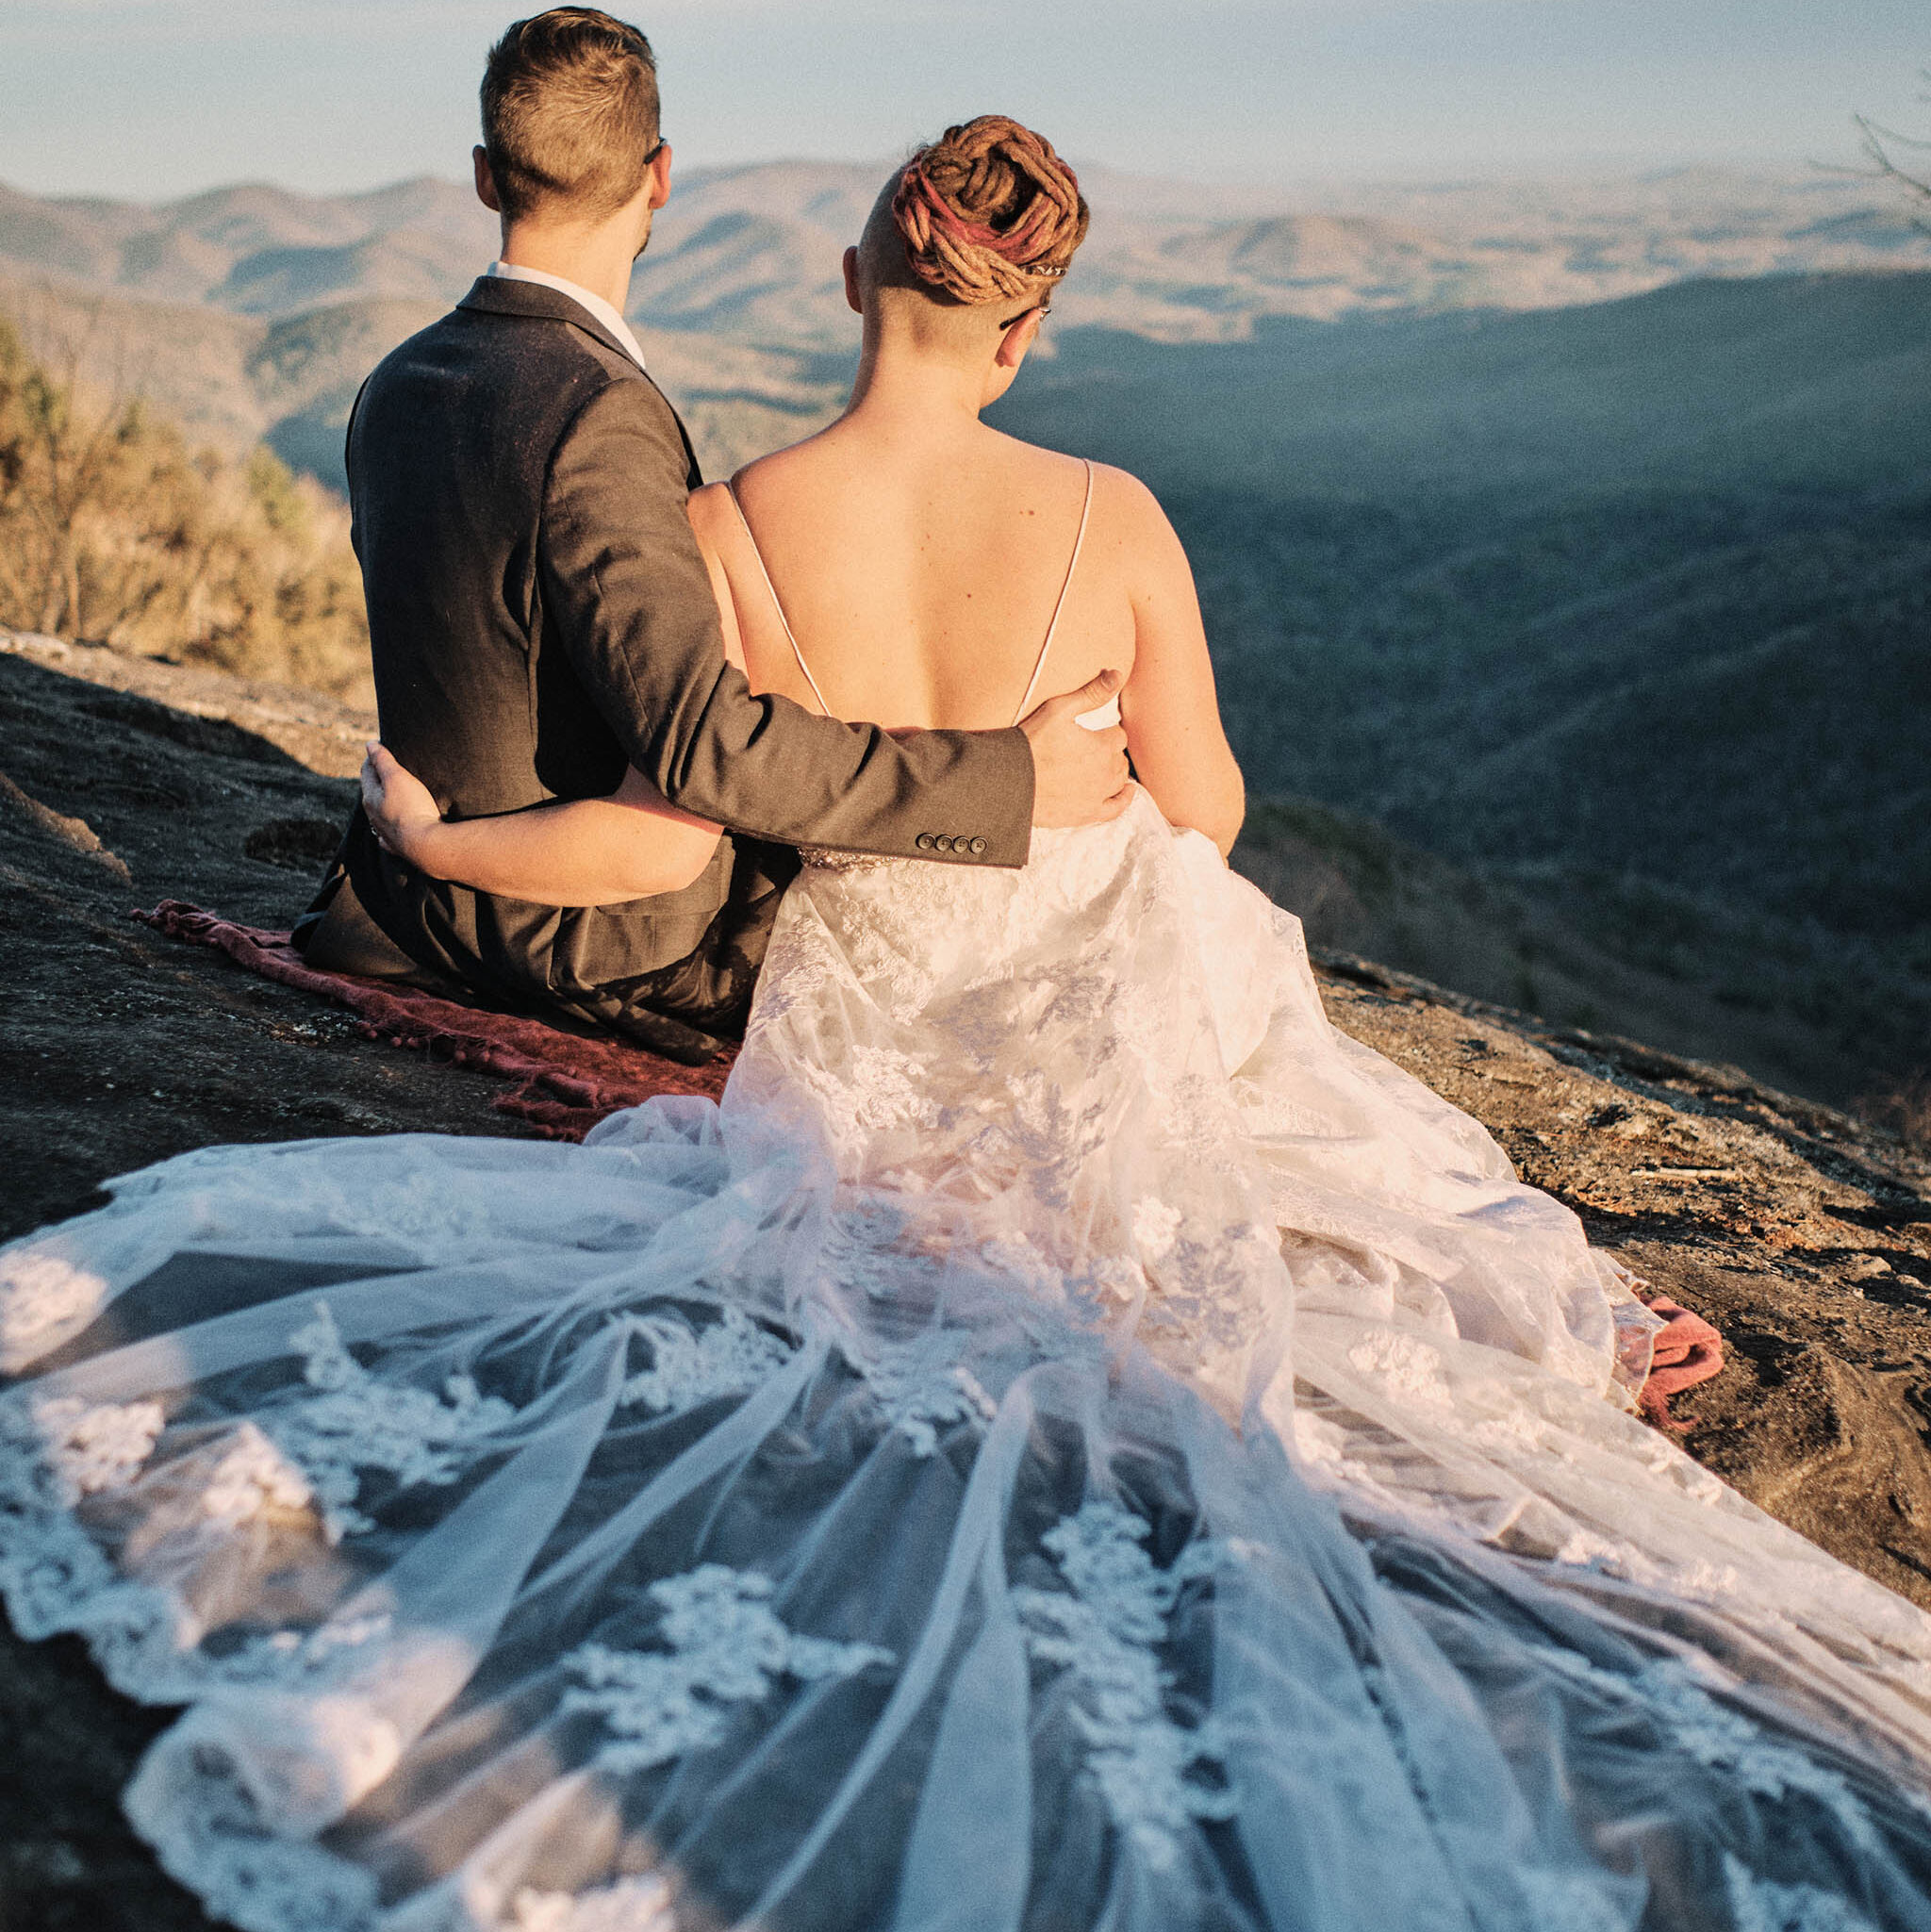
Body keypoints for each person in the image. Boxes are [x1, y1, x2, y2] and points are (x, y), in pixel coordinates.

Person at [5, 114, 1931, 1932]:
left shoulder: (734, 525)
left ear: (853, 273)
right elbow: (1208, 810)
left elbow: (668, 818)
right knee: (1286, 1127)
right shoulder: (1113, 517)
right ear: (1030, 329)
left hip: (872, 1010)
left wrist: (449, 840)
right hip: (1091, 966)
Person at [291, 8, 1132, 1064]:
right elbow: (707, 749)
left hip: (398, 909)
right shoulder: (597, 412)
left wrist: (425, 847)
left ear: (483, 174)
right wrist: (1006, 779)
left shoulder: (396, 380)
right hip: (592, 941)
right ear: (660, 175)